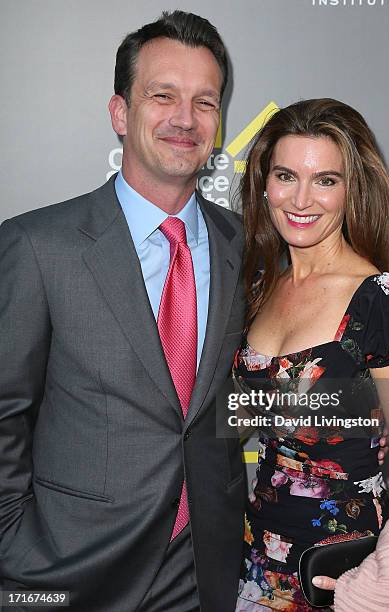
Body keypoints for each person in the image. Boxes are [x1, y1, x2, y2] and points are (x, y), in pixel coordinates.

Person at [0, 11, 247, 612]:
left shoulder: (251, 248)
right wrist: (16, 554)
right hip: (68, 572)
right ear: (120, 112)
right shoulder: (38, 246)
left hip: (206, 572)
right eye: (162, 96)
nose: (185, 119)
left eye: (204, 102)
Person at [233, 98, 389, 611]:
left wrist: (386, 577)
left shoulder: (381, 302)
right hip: (256, 556)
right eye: (287, 175)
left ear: (352, 191)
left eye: (326, 180)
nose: (302, 199)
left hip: (343, 570)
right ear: (264, 183)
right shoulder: (261, 288)